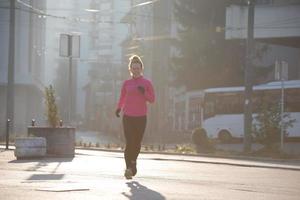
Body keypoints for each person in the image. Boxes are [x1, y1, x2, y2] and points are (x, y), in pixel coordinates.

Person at [115, 55, 155, 179]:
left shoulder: (147, 83)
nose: (136, 70)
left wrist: (144, 92)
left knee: (137, 143)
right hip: (128, 116)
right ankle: (128, 169)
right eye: (133, 68)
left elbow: (152, 99)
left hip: (141, 117)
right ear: (130, 69)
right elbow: (122, 97)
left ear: (141, 68)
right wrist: (118, 108)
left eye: (138, 68)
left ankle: (133, 162)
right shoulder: (126, 83)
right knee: (129, 142)